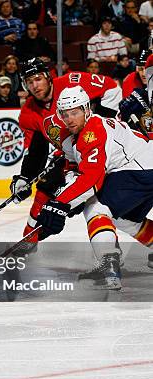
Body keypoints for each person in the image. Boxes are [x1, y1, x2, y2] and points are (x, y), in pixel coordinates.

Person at [37, 86, 153, 289]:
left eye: (75, 112)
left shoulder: (93, 130)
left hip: (140, 168)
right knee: (124, 219)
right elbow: (76, 169)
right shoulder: (76, 135)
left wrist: (60, 203)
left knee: (96, 207)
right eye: (65, 114)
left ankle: (109, 265)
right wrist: (64, 196)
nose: (70, 118)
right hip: (143, 168)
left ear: (86, 110)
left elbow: (91, 179)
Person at [10, 57, 122, 252]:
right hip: (70, 157)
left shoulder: (72, 83)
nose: (34, 86)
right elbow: (36, 151)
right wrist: (24, 177)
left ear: (47, 76)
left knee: (101, 204)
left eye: (38, 79)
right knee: (45, 188)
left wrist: (99, 122)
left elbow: (111, 87)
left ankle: (111, 250)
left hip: (99, 150)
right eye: (29, 82)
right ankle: (29, 239)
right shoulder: (28, 111)